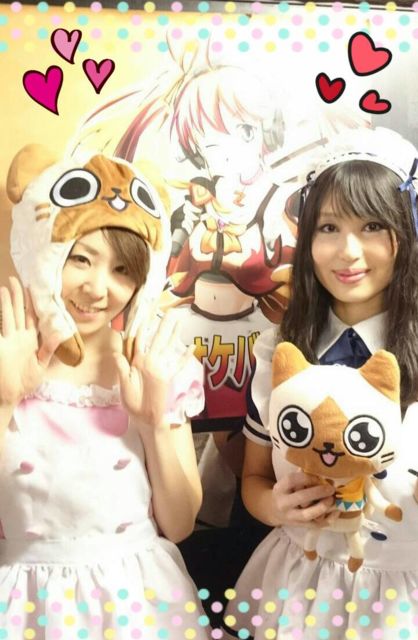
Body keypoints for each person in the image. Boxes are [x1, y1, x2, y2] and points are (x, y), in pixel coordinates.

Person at [1, 147, 208, 639]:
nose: (98, 289)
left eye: (123, 270)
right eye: (80, 259)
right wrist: (5, 400)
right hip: (29, 606)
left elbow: (180, 524)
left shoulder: (156, 364)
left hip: (139, 603)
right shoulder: (6, 359)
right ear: (42, 252)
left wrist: (154, 424)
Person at [224, 127, 418, 639]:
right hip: (297, 589)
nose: (347, 252)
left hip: (402, 601)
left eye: (373, 225)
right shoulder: (279, 349)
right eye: (329, 227)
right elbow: (253, 479)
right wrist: (277, 506)